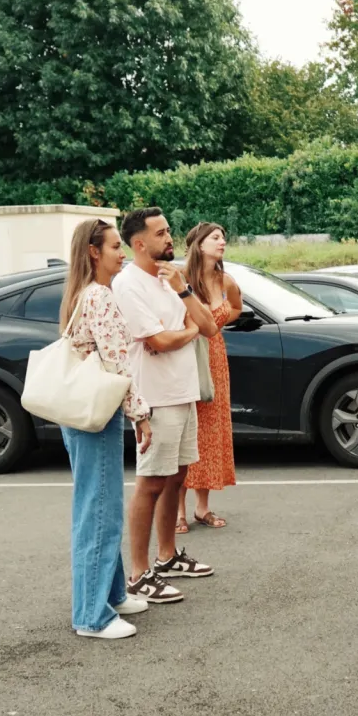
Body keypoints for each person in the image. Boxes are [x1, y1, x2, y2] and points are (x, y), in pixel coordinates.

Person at [113, 207, 217, 605]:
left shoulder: (172, 278)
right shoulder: (129, 284)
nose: (169, 238)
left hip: (183, 390)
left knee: (177, 477)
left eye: (169, 231)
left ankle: (167, 556)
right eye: (161, 233)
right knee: (151, 482)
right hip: (154, 397)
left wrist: (184, 291)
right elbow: (157, 341)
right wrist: (188, 330)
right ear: (140, 244)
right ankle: (138, 573)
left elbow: (207, 327)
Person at [59, 219, 153, 640]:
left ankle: (111, 595)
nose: (123, 253)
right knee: (98, 512)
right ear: (94, 252)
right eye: (116, 246)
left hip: (83, 412)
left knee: (100, 507)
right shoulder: (99, 296)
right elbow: (119, 362)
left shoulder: (84, 293)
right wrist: (141, 414)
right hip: (96, 412)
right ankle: (92, 616)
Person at [176, 222, 243, 534]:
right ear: (199, 245)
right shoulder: (182, 280)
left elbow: (237, 308)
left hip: (215, 358)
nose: (222, 242)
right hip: (186, 357)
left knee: (210, 433)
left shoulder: (225, 280)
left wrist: (215, 326)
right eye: (216, 238)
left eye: (224, 238)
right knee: (184, 432)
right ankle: (177, 511)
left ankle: (201, 507)